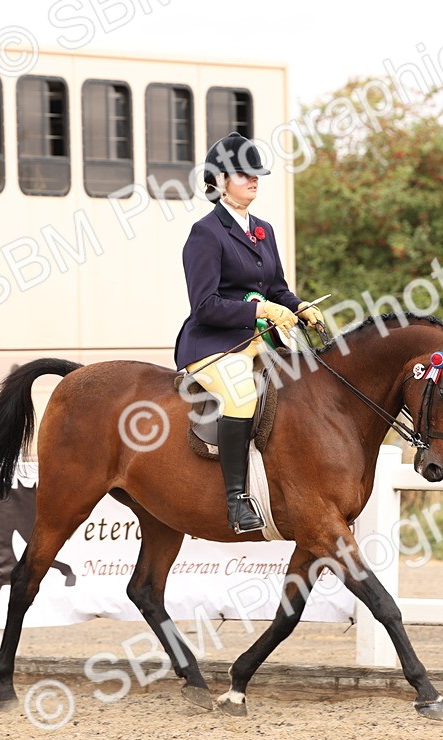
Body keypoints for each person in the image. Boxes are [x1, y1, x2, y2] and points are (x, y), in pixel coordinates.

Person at [173, 132, 326, 534]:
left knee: (307, 384)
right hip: (213, 344)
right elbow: (204, 305)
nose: (254, 180)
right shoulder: (205, 233)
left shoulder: (264, 230)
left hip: (261, 341)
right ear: (220, 181)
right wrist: (260, 309)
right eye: (244, 174)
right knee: (241, 393)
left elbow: (276, 287)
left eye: (257, 174)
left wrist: (298, 306)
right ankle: (237, 500)